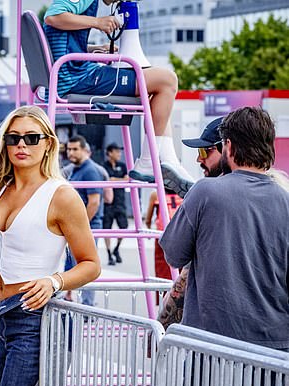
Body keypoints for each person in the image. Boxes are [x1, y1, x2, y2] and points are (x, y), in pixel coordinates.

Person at [0, 105, 100, 386]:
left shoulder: (61, 195)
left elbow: (91, 264)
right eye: (14, 138)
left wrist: (54, 281)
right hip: (4, 320)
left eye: (31, 137)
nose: (21, 145)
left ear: (48, 143)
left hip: (37, 323)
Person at [160, 107, 289, 351]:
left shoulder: (205, 192)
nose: (199, 159)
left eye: (203, 151)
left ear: (228, 146)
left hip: (215, 347)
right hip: (274, 351)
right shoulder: (285, 198)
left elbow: (173, 254)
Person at [43, 0, 192, 183]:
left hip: (73, 75)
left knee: (157, 90)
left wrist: (93, 50)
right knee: (167, 81)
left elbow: (60, 40)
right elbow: (53, 17)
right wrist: (97, 22)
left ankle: (168, 160)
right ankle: (149, 161)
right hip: (77, 79)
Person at [62, 135, 102, 306]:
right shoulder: (75, 169)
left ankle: (87, 305)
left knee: (86, 267)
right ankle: (68, 298)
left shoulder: (89, 170)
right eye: (69, 149)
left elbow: (94, 202)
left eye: (75, 149)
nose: (71, 152)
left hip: (87, 227)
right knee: (70, 266)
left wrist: (80, 226)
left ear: (85, 150)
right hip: (76, 228)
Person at [102, 143, 129, 266]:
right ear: (109, 153)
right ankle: (109, 254)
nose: (119, 154)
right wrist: (119, 180)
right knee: (107, 229)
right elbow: (107, 180)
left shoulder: (122, 166)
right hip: (108, 203)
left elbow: (127, 179)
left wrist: (114, 180)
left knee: (123, 228)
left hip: (120, 201)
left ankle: (117, 248)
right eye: (117, 151)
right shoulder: (104, 166)